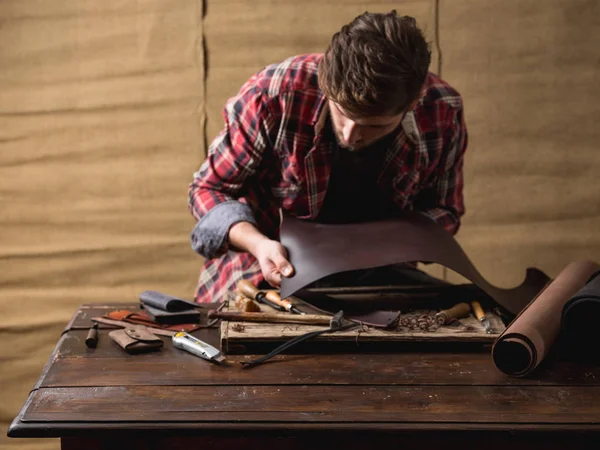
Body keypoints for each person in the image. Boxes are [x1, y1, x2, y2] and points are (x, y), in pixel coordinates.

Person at [188, 10, 468, 303]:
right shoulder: (273, 95)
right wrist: (258, 244)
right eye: (342, 114)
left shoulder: (442, 110)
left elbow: (445, 210)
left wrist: (391, 244)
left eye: (374, 126)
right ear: (325, 81)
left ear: (415, 102)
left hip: (382, 273)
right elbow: (209, 189)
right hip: (268, 266)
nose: (350, 135)